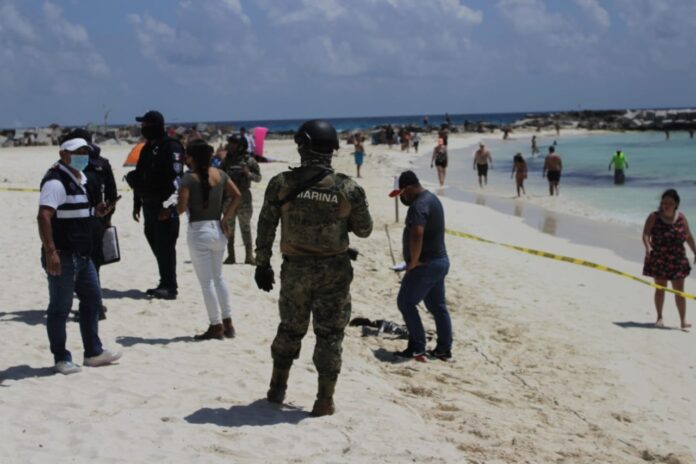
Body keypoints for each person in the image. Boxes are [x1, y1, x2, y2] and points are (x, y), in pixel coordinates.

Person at [255, 120, 373, 417]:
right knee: (330, 335)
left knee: (290, 329)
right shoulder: (348, 187)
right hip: (334, 272)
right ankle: (324, 400)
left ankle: (277, 389)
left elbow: (266, 224)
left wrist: (262, 263)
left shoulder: (282, 183)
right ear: (332, 149)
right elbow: (364, 230)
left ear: (301, 146)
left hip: (294, 271)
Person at [37, 137, 122, 375]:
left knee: (93, 301)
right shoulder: (55, 181)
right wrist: (50, 251)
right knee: (60, 308)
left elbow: (72, 212)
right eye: (77, 152)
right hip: (63, 256)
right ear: (63, 154)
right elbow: (44, 216)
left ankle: (93, 352)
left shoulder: (80, 179)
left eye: (86, 151)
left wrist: (96, 211)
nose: (83, 156)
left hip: (84, 255)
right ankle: (61, 357)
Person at [177, 140, 241, 340]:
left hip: (199, 230)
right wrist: (225, 218)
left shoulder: (188, 179)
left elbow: (180, 209)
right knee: (219, 278)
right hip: (217, 229)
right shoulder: (220, 174)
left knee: (206, 283)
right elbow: (237, 195)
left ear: (192, 157)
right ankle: (228, 322)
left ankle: (216, 325)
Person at [388, 171, 452, 361]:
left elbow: (417, 234)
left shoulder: (419, 205)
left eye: (401, 194)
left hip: (426, 265)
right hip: (440, 262)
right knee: (437, 306)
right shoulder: (432, 198)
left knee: (406, 302)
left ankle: (417, 347)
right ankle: (443, 349)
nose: (402, 199)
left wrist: (413, 262)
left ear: (408, 189)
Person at [63, 129, 118, 321]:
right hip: (99, 220)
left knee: (84, 266)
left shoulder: (76, 166)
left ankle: (94, 307)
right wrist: (108, 216)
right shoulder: (103, 164)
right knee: (94, 265)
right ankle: (95, 305)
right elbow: (112, 193)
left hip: (82, 221)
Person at [642, 189, 696, 331]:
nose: (666, 205)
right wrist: (648, 247)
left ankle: (683, 320)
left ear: (676, 204)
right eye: (664, 202)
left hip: (678, 259)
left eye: (670, 203)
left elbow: (688, 236)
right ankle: (659, 317)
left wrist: (695, 251)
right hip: (659, 258)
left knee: (679, 291)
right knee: (660, 289)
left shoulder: (681, 217)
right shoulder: (654, 217)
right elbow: (646, 234)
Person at [221, 134, 262, 265]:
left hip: (244, 198)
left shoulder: (249, 161)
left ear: (240, 146)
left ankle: (249, 256)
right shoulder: (227, 160)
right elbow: (219, 175)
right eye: (230, 143)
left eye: (233, 144)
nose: (231, 146)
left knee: (245, 227)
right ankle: (231, 256)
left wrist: (248, 173)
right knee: (229, 227)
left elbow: (258, 178)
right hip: (229, 198)